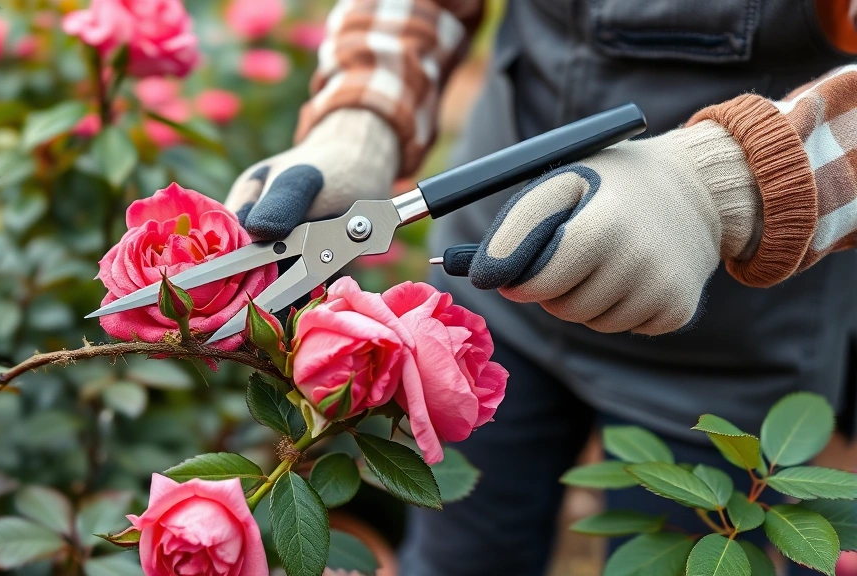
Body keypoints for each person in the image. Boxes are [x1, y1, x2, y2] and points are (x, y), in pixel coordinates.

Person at [225, 1, 857, 574]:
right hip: (492, 309)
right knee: (460, 558)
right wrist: (360, 119)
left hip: (730, 347)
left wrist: (724, 185)